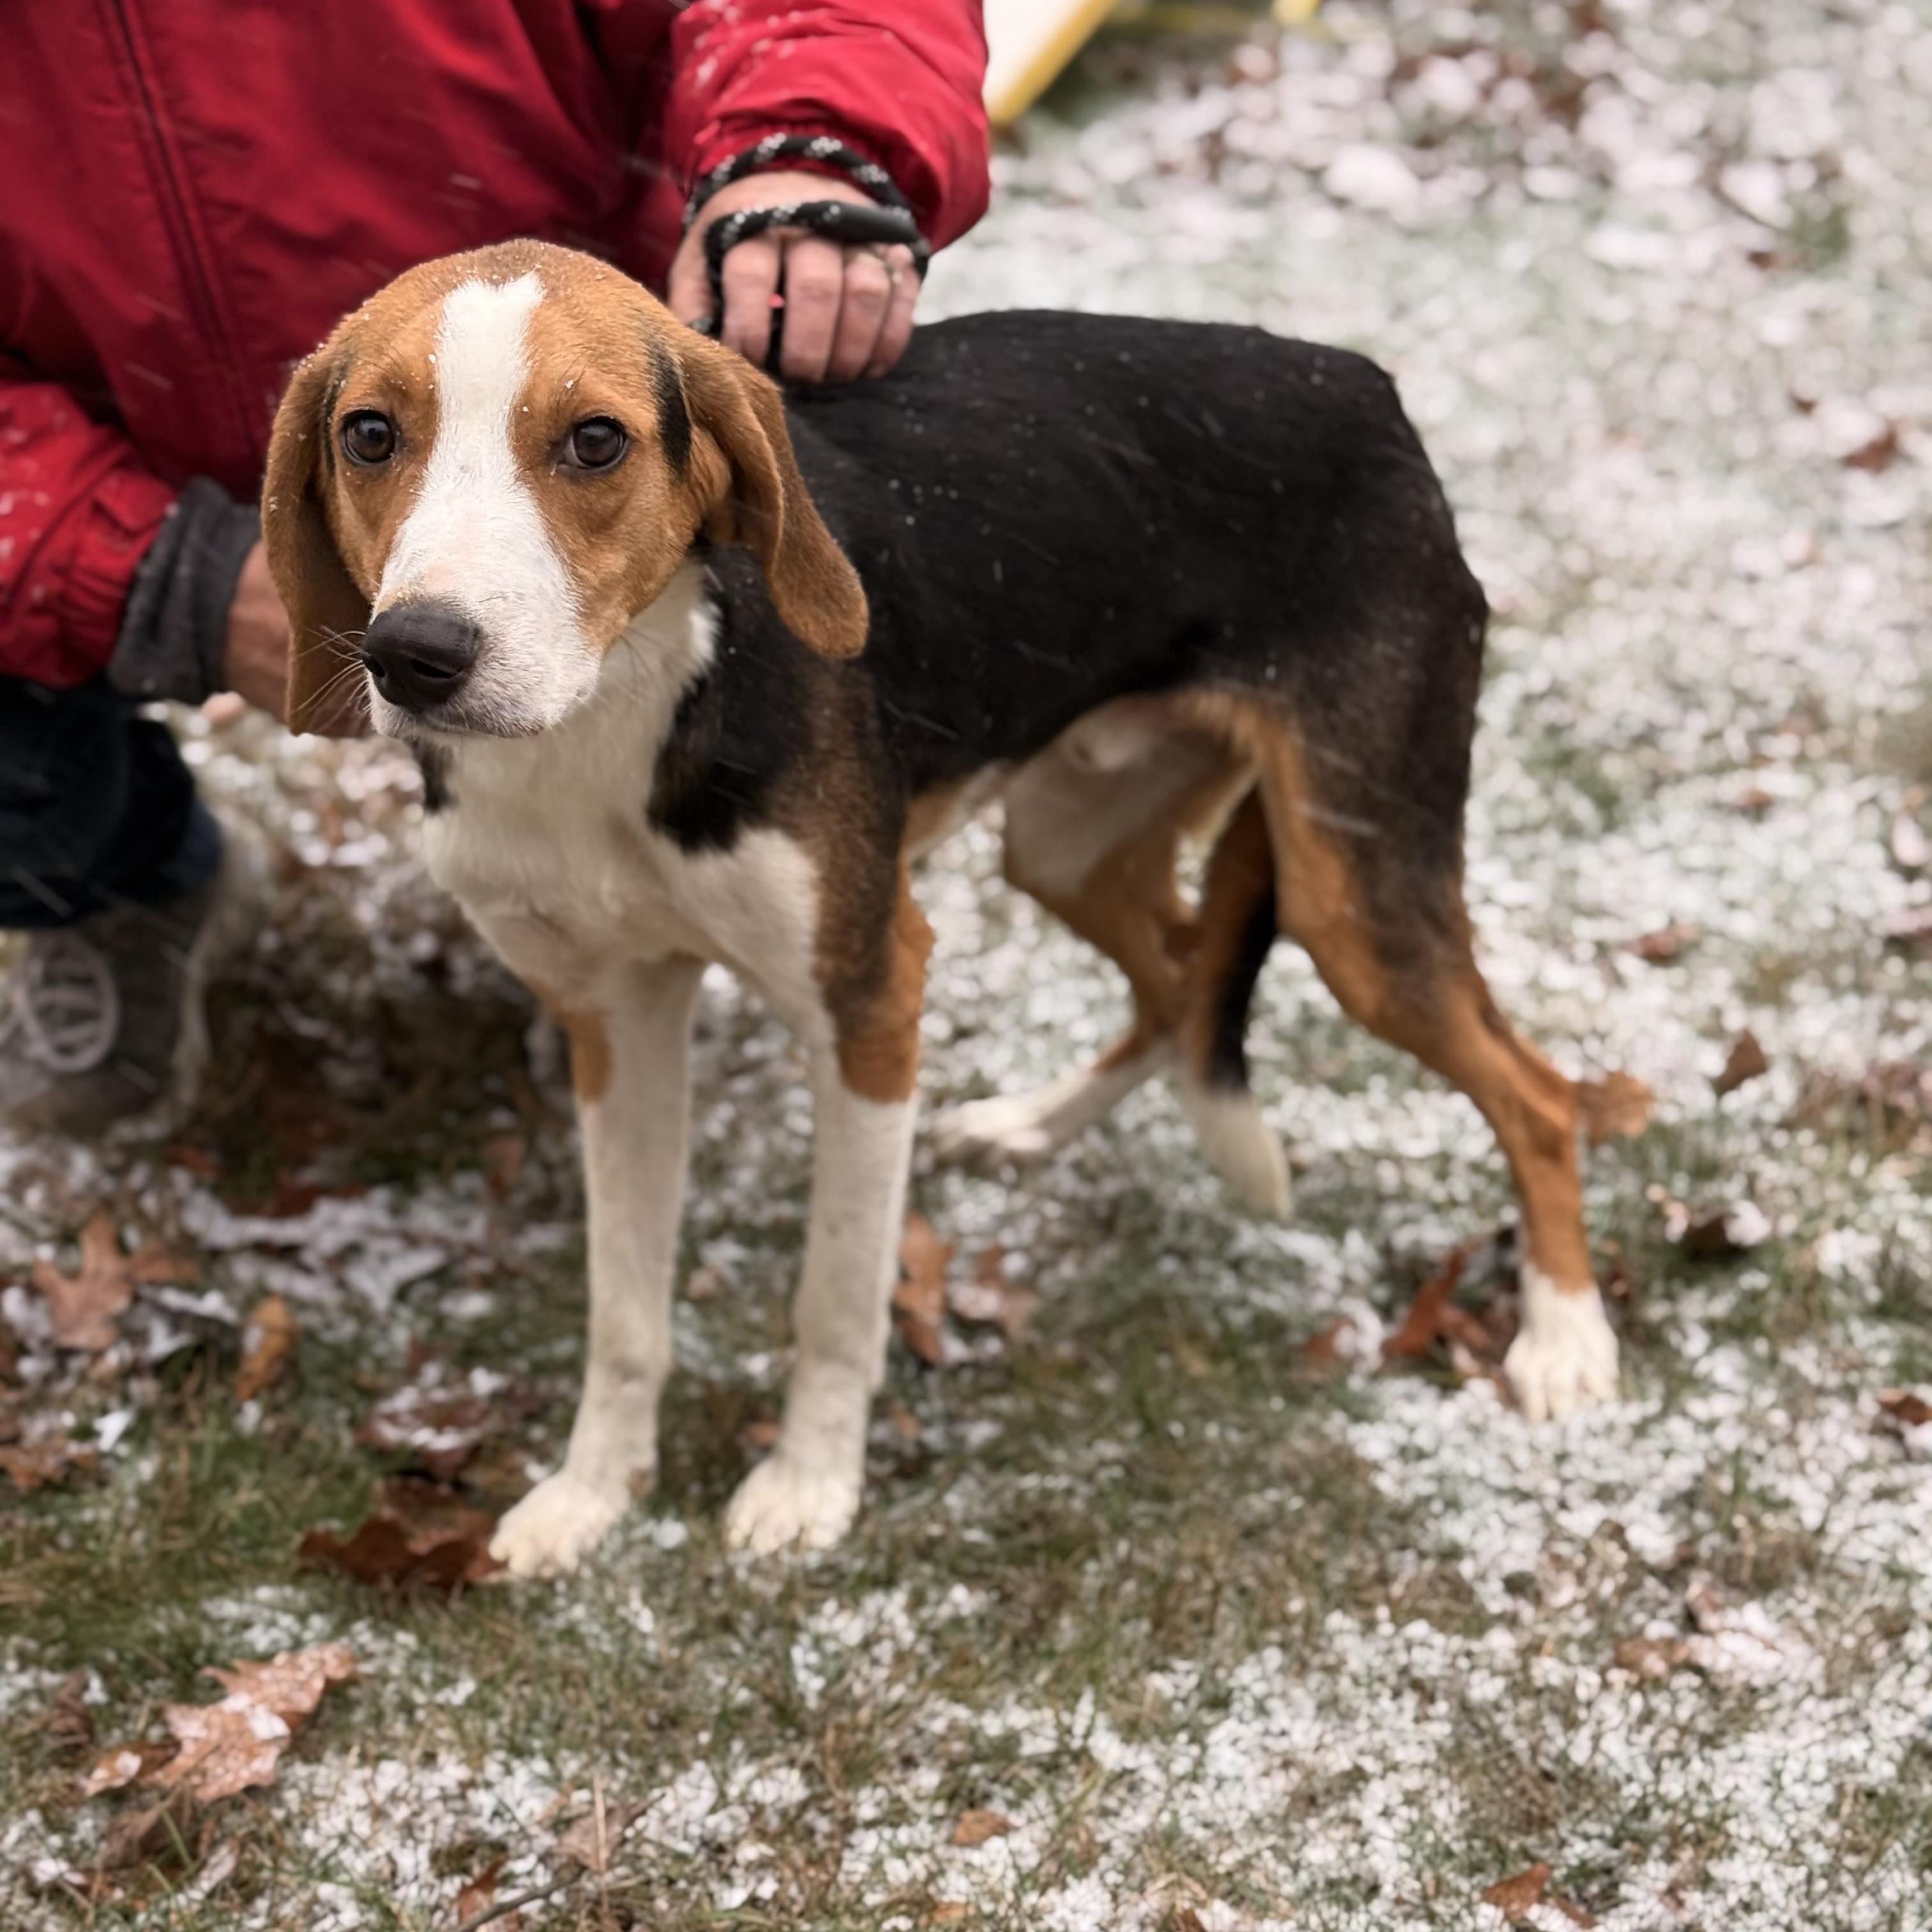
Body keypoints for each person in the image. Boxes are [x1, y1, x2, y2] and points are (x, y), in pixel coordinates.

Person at [0, 1, 990, 1135]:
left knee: (662, 682)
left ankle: (624, 913)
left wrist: (809, 132)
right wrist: (138, 569)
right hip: (93, 437)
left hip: (580, 359)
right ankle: (102, 880)